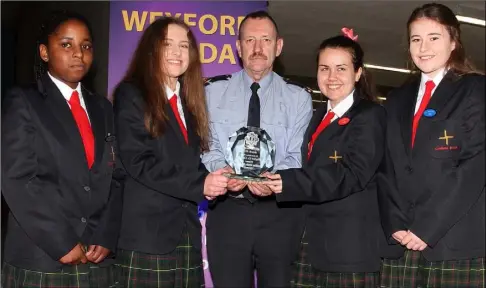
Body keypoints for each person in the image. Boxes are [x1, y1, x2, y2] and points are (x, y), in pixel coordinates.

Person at [1, 10, 122, 287]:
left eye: (86, 46)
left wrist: (106, 234)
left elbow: (116, 177)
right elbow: (18, 178)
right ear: (44, 52)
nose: (78, 53)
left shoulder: (103, 108)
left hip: (96, 258)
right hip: (43, 257)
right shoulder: (23, 102)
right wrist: (63, 243)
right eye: (66, 44)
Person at [263, 32, 388, 288]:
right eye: (324, 68)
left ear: (358, 73)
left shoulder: (370, 115)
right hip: (308, 243)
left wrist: (287, 183)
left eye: (341, 68)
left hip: (348, 250)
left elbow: (353, 174)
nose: (332, 77)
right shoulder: (317, 115)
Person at [113, 17, 229, 288]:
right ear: (153, 50)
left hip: (185, 235)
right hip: (148, 238)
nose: (178, 52)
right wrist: (201, 183)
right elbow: (138, 161)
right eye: (168, 44)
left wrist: (215, 181)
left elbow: (187, 163)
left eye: (184, 45)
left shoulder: (189, 104)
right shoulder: (132, 94)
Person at [202, 10, 313, 288]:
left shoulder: (299, 98)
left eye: (266, 39)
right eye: (249, 40)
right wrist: (224, 173)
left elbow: (297, 154)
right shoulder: (212, 92)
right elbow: (207, 145)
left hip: (278, 216)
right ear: (238, 47)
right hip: (228, 213)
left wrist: (272, 181)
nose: (258, 48)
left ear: (279, 46)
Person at [377, 3, 485, 287]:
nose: (423, 47)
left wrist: (425, 227)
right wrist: (395, 223)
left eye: (434, 37)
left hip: (452, 240)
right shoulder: (397, 98)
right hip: (401, 241)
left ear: (453, 42)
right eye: (416, 39)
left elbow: (474, 166)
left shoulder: (475, 89)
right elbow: (387, 166)